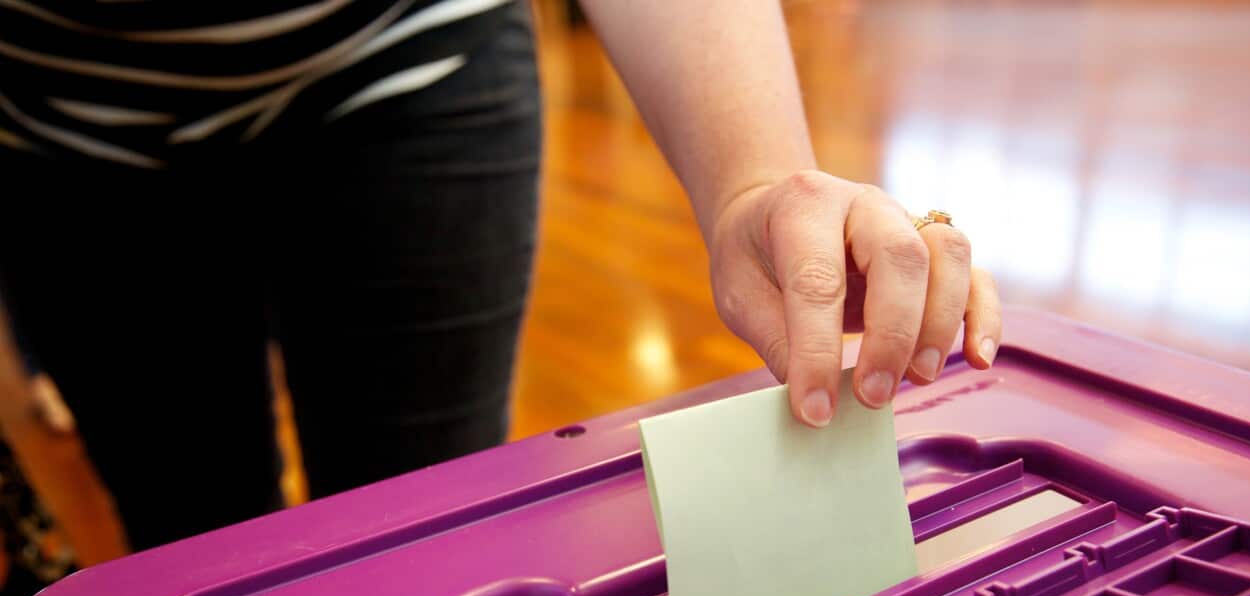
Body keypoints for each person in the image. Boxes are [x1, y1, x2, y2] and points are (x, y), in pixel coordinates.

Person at [0, 0, 1001, 550]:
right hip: (62, 132)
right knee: (192, 539)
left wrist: (756, 180)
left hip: (408, 60)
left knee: (417, 539)